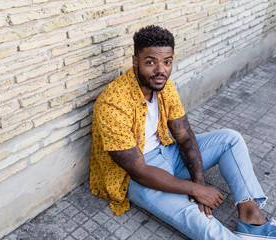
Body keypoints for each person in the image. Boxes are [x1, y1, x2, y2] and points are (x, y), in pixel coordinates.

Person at [89, 25, 276, 239]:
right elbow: (138, 170)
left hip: (167, 153)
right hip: (136, 176)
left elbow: (185, 136)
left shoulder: (162, 85)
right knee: (198, 219)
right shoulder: (112, 102)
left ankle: (251, 218)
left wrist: (199, 183)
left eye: (167, 62)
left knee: (230, 139)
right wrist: (195, 191)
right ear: (135, 61)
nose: (161, 70)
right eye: (151, 62)